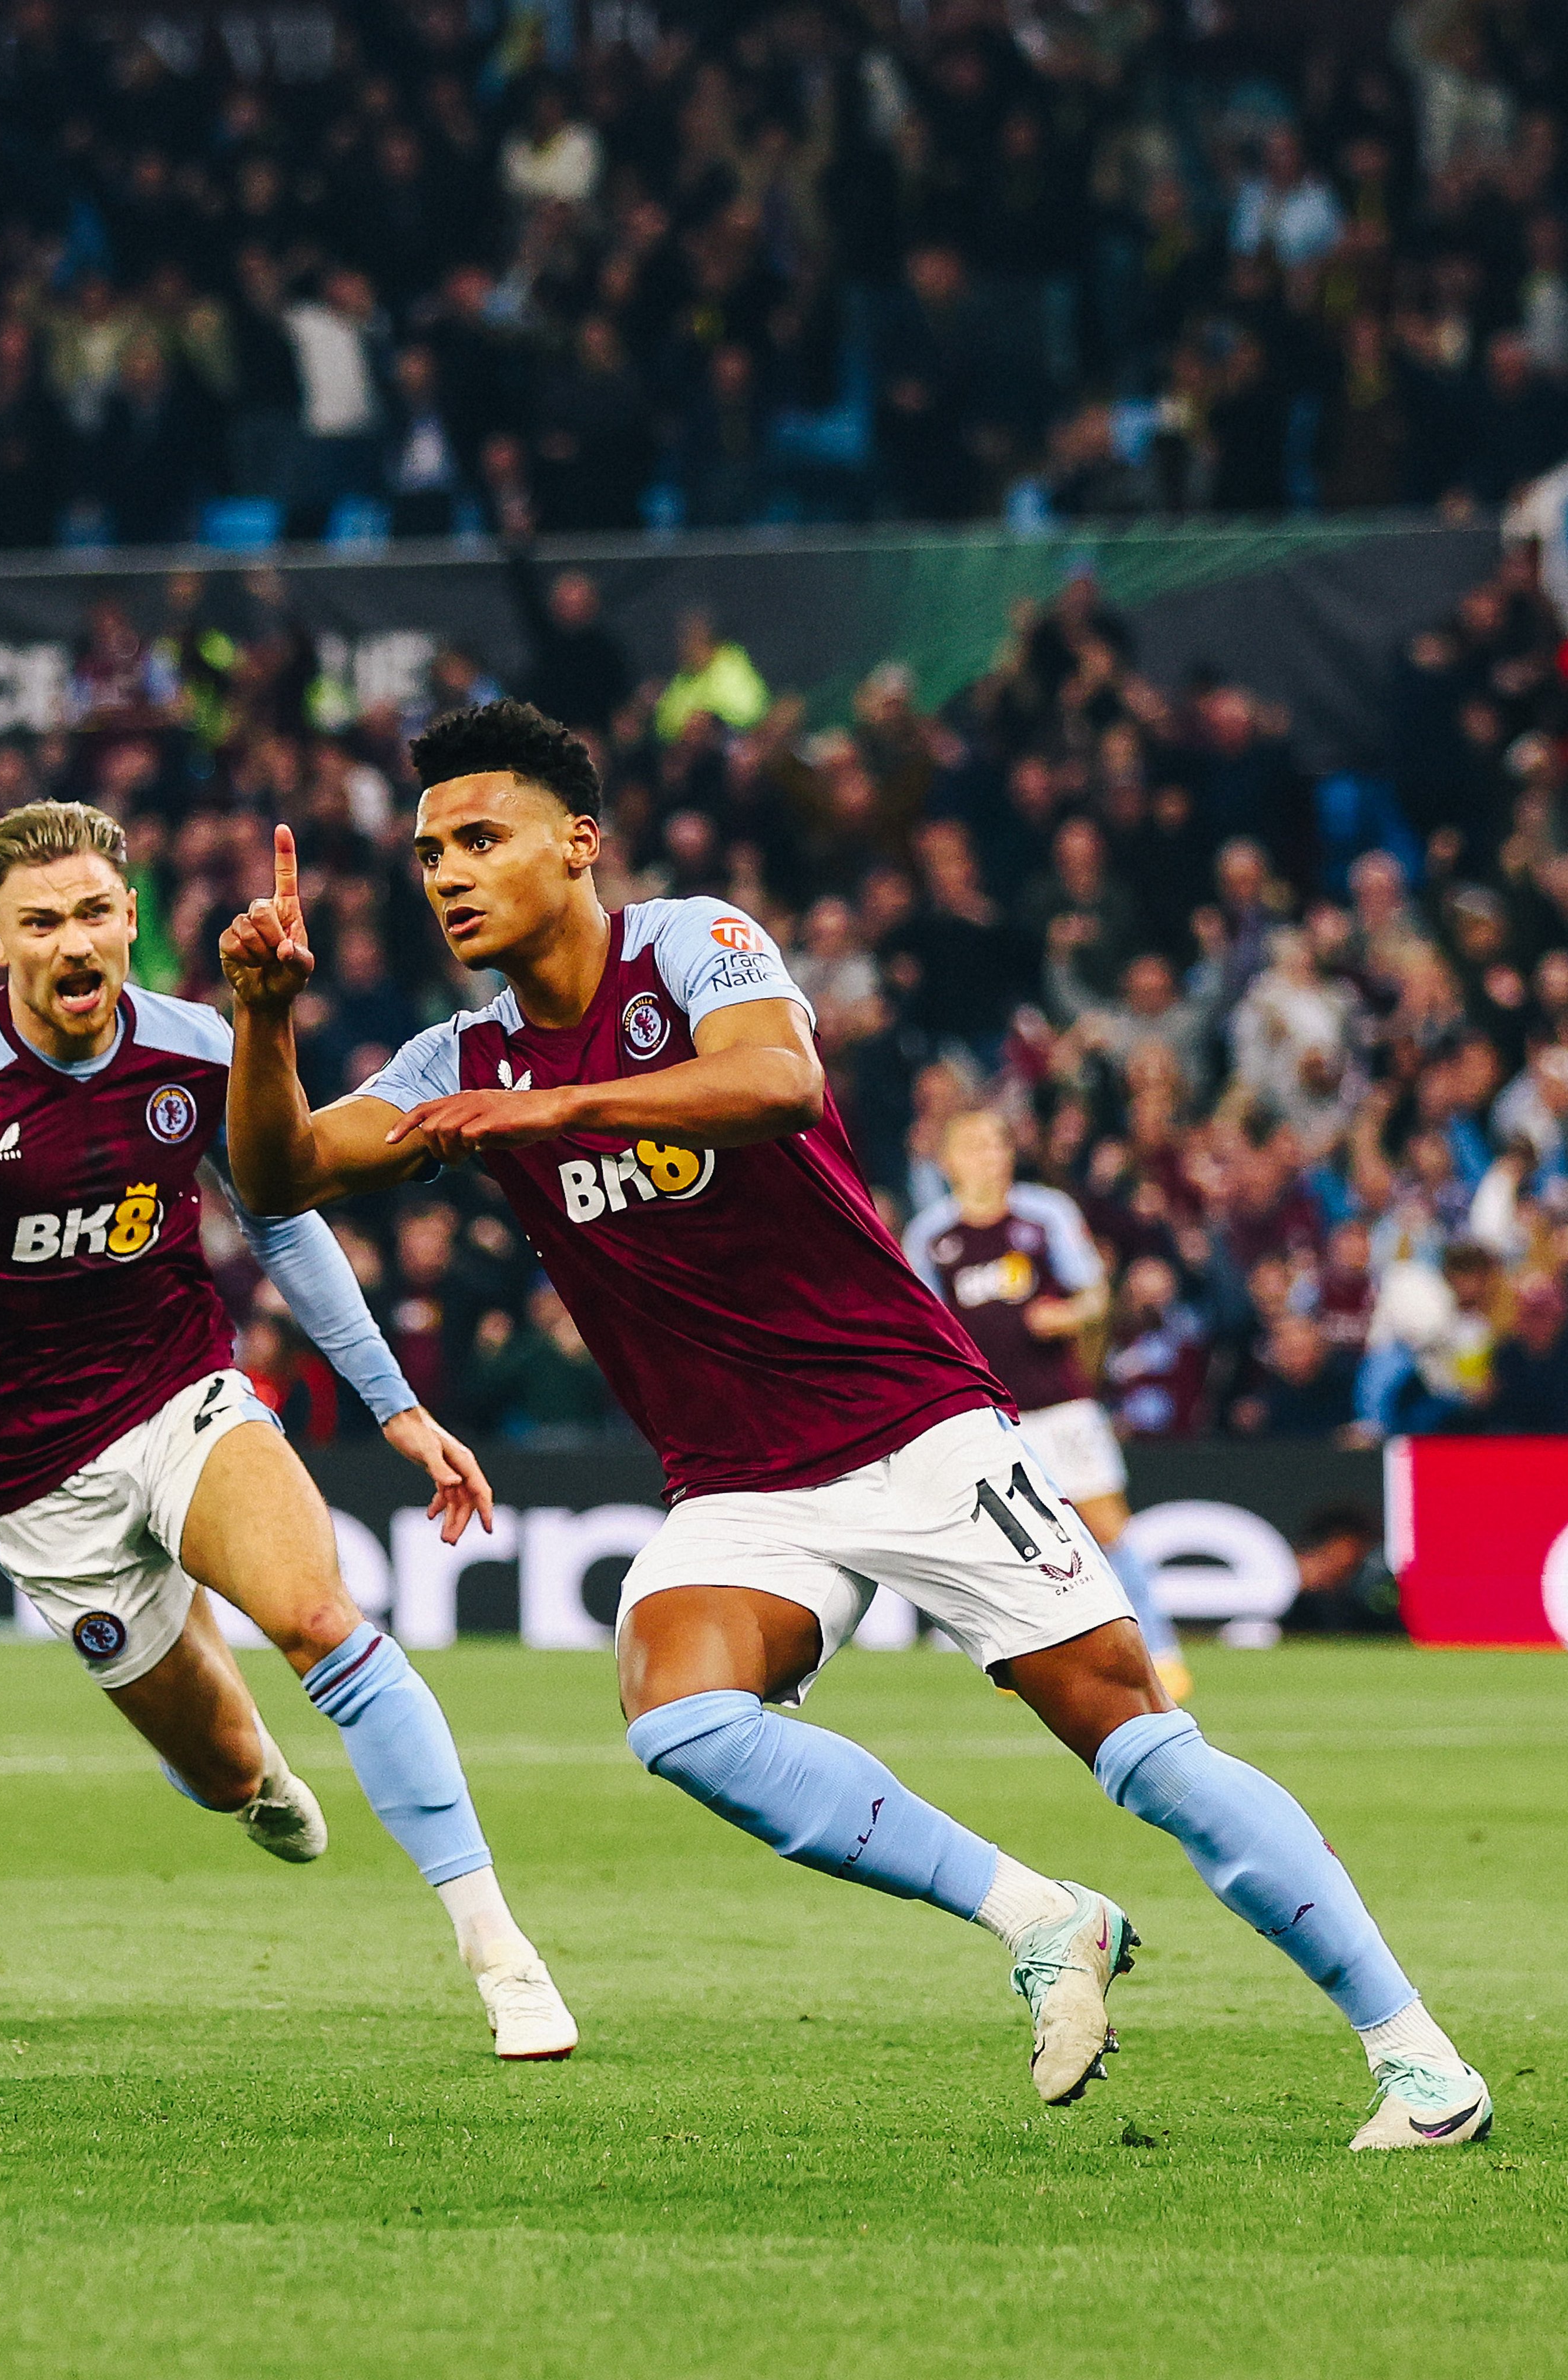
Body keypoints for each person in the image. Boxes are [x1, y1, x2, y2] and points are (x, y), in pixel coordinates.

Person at [219, 699, 1488, 2150]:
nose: (445, 870)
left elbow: (776, 1082)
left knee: (1138, 1745)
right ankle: (1039, 1915)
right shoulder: (458, 1060)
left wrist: (555, 1110)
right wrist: (266, 1021)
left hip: (914, 1422)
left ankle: (1415, 2056)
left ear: (575, 845)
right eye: (429, 847)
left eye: (481, 836)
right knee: (680, 1714)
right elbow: (281, 1171)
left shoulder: (689, 945)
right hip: (740, 1484)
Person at [0, 799, 575, 2059]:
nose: (73, 943)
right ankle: (251, 1781)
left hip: (178, 1396)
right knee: (224, 1767)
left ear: (130, 921)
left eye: (94, 913)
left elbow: (285, 1218)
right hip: (30, 1482)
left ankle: (498, 1948)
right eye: (42, 923)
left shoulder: (198, 1049)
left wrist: (397, 1409)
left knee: (317, 1617)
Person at [902, 1110, 1191, 1702]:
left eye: (999, 1142)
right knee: (994, 1539)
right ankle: (1018, 1657)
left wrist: (1069, 1315)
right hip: (983, 1413)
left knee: (1106, 1527)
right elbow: (920, 1321)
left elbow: (1095, 1296)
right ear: (949, 1161)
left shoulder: (1045, 1214)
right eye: (977, 1144)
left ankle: (1161, 1652)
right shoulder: (931, 1236)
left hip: (1059, 1406)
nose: (992, 1155)